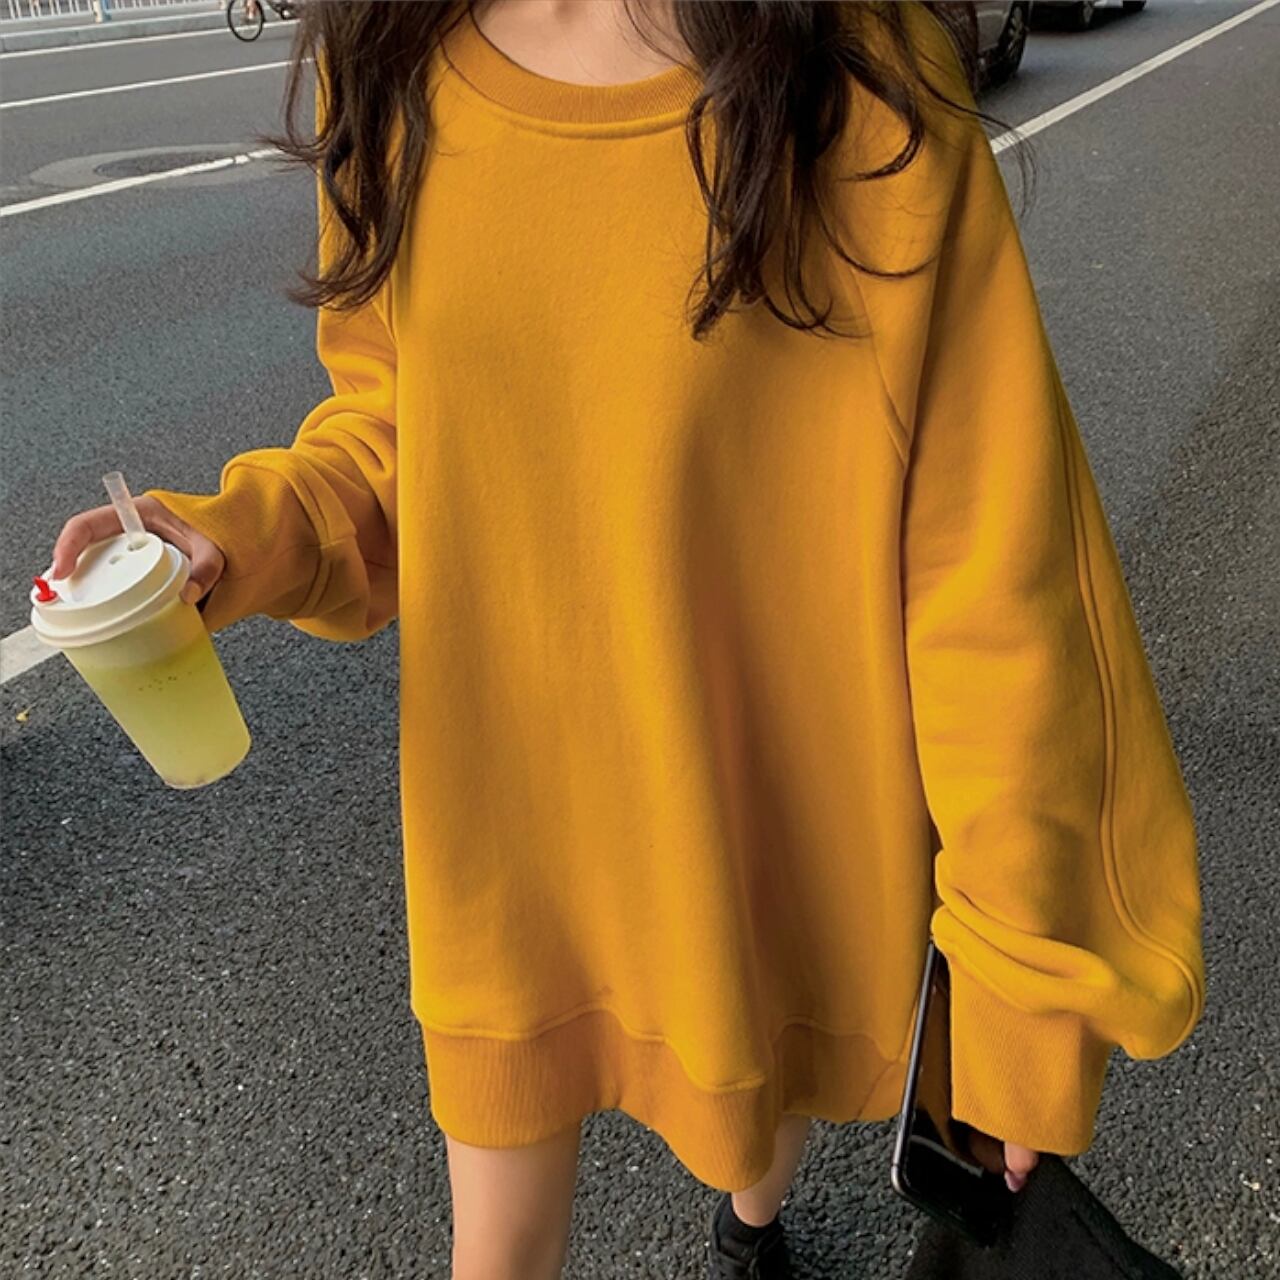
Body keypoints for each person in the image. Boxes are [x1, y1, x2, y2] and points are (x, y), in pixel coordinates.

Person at [49, 3, 1206, 1278]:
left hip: (760, 812)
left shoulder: (856, 71)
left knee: (757, 1119)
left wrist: (1023, 977)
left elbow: (994, 575)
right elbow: (402, 426)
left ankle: (749, 1228)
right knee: (496, 1244)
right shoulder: (387, 54)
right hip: (509, 824)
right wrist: (238, 535)